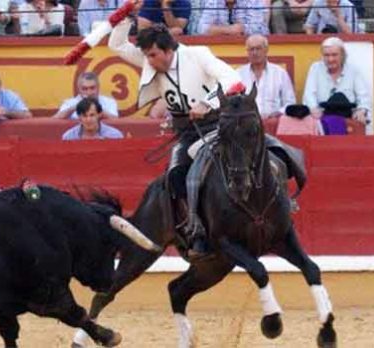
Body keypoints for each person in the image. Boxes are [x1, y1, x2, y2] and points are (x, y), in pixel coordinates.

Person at [109, 14, 243, 257]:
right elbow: (116, 45)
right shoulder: (151, 60)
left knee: (214, 170)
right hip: (187, 133)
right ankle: (195, 230)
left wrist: (207, 103)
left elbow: (232, 78)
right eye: (147, 55)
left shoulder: (198, 54)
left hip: (217, 125)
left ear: (168, 50)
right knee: (175, 177)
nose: (148, 61)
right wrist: (125, 17)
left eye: (152, 55)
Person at [302, 37, 370, 125]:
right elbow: (309, 94)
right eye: (326, 55)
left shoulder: (353, 70)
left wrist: (362, 110)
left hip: (347, 117)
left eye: (334, 55)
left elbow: (363, 96)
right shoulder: (315, 68)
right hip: (322, 117)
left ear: (342, 55)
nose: (330, 59)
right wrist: (314, 109)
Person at [236, 35, 296, 119]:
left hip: (274, 122)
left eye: (258, 48)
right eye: (251, 49)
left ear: (266, 50)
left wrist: (278, 113)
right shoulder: (238, 74)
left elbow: (290, 103)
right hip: (246, 125)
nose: (255, 52)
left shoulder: (279, 73)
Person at [53, 72, 119, 120]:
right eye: (85, 89)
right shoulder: (69, 103)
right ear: (79, 89)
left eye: (92, 88)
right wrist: (75, 107)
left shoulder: (109, 102)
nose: (89, 92)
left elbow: (117, 121)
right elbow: (54, 121)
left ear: (98, 87)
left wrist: (97, 109)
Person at [197, 0, 269, 35]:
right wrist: (229, 29)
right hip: (223, 46)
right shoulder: (213, 1)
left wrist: (216, 29)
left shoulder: (252, 1)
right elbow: (201, 29)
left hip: (254, 45)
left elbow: (257, 29)